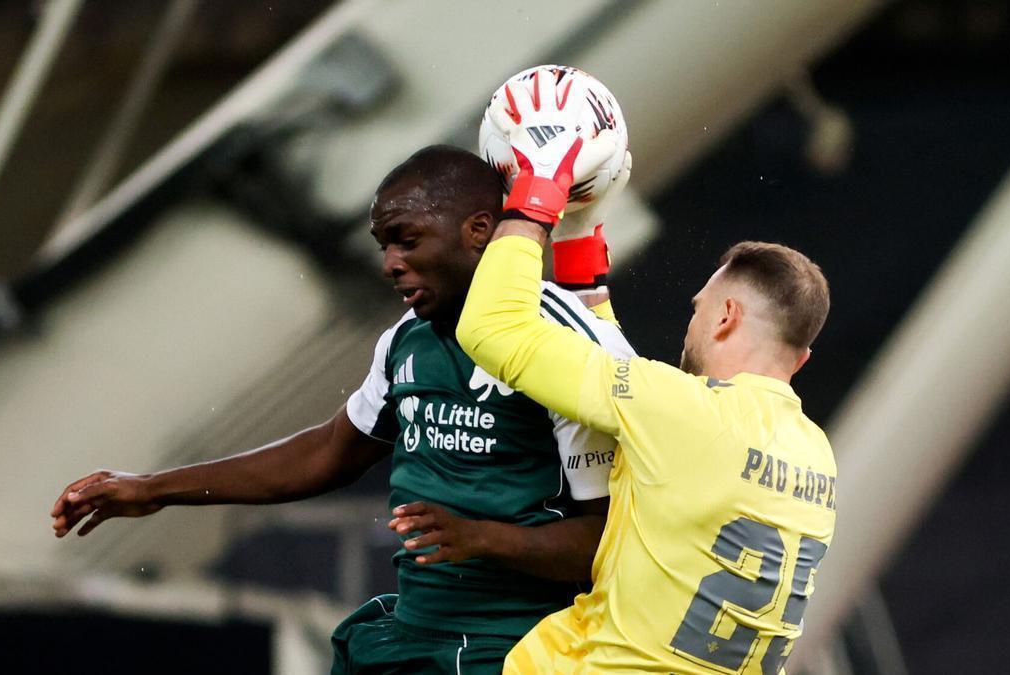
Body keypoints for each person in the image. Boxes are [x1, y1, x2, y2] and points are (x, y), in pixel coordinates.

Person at [49, 145, 635, 674]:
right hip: (412, 636)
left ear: (479, 231)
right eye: (385, 247)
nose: (390, 264)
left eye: (408, 240)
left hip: (521, 649)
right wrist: (153, 490)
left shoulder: (571, 348)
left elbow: (610, 543)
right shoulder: (407, 340)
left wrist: (484, 538)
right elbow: (328, 453)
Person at [456, 69, 836, 674]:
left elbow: (492, 329)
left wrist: (538, 192)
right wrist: (581, 237)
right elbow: (615, 371)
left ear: (726, 316)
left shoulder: (679, 411)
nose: (689, 324)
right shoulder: (814, 455)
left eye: (698, 310)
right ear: (801, 358)